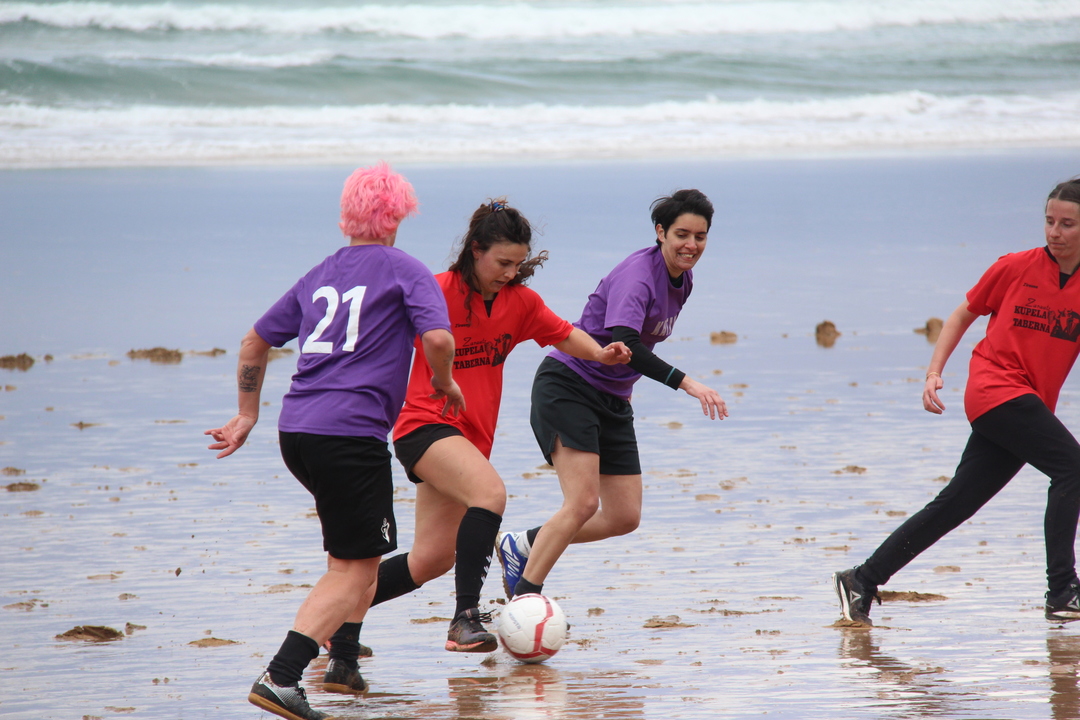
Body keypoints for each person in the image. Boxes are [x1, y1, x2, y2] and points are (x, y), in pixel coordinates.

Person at [204, 163, 464, 720]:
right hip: (349, 436)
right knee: (357, 572)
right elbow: (440, 339)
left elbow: (253, 343)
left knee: (347, 559)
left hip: (297, 432)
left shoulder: (319, 274)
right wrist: (444, 381)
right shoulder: (405, 269)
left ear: (348, 215)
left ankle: (342, 660)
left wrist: (246, 414)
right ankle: (281, 676)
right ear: (398, 216)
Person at [334, 199, 631, 662]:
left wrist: (600, 353)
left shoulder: (520, 303)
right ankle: (465, 618)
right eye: (502, 262)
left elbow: (562, 333)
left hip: (470, 439)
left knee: (432, 558)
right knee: (490, 495)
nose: (510, 273)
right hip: (424, 425)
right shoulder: (434, 290)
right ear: (475, 250)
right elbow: (372, 330)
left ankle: (335, 623)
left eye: (518, 264)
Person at [832, 178, 1080, 626]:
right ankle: (1062, 590)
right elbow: (961, 315)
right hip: (995, 389)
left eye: (1067, 224)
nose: (1054, 232)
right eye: (1049, 221)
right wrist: (934, 372)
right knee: (1073, 468)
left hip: (1029, 403)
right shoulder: (1015, 267)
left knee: (956, 503)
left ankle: (862, 579)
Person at [496, 189, 728, 600]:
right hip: (569, 386)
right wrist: (688, 383)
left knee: (624, 516)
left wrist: (625, 390)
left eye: (700, 236)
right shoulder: (638, 275)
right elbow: (627, 342)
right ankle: (528, 597)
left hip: (613, 397)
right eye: (682, 235)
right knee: (582, 503)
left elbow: (637, 345)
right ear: (661, 232)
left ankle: (523, 543)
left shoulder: (683, 278)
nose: (691, 245)